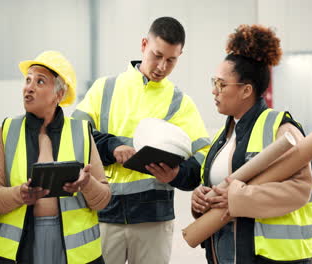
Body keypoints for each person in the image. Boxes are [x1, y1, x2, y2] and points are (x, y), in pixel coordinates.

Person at [72, 17, 210, 264]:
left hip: (153, 220)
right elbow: (76, 135)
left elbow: (202, 159)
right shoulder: (104, 89)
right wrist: (113, 147)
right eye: (157, 55)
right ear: (144, 44)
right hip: (104, 214)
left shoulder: (180, 102)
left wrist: (176, 174)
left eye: (171, 60)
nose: (162, 66)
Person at [191, 24, 312, 264]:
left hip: (271, 258)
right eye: (214, 82)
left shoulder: (281, 129)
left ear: (246, 90)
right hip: (226, 255)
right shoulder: (223, 136)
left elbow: (300, 189)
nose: (214, 91)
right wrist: (200, 198)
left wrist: (238, 199)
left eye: (221, 84)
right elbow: (217, 188)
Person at [0, 50, 111, 264]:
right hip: (21, 248)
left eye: (40, 81)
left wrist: (87, 184)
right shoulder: (7, 131)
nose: (29, 88)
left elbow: (104, 199)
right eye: (28, 80)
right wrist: (19, 195)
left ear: (59, 95)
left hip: (73, 253)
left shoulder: (81, 132)